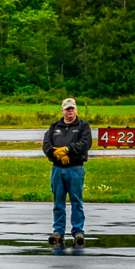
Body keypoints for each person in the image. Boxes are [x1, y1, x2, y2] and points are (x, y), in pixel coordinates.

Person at [42, 98, 91, 247]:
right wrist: (56, 153)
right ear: (62, 110)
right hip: (57, 169)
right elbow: (46, 145)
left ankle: (78, 232)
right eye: (67, 109)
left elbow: (85, 144)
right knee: (58, 202)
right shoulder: (54, 126)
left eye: (72, 109)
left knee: (76, 200)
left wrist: (68, 150)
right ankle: (58, 232)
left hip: (75, 168)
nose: (70, 111)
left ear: (76, 110)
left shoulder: (83, 126)